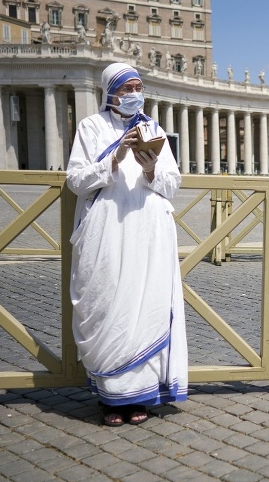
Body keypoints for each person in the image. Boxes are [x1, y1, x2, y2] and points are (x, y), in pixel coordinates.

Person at [66, 62, 188, 427]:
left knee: (147, 304)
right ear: (110, 93)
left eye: (138, 86)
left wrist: (150, 168)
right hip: (107, 230)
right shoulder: (91, 127)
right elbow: (75, 180)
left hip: (150, 229)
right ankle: (110, 398)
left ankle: (142, 396)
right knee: (109, 302)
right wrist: (114, 159)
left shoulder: (153, 129)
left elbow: (173, 182)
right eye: (126, 87)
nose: (134, 93)